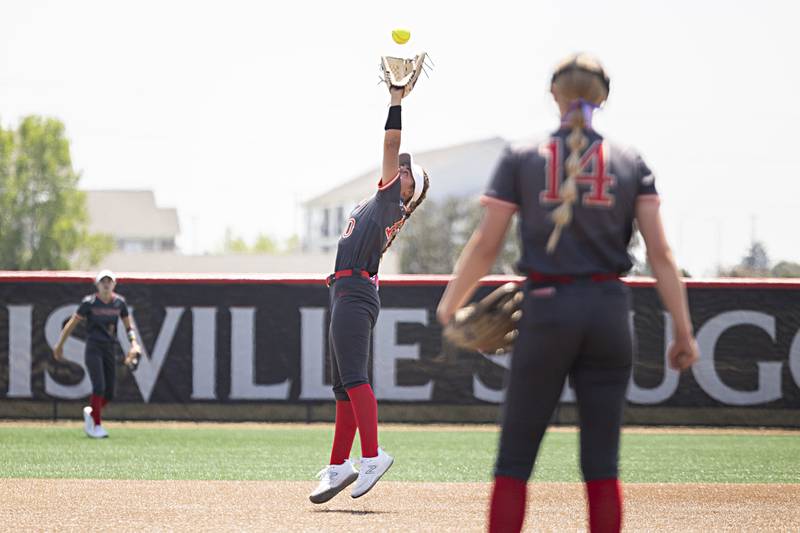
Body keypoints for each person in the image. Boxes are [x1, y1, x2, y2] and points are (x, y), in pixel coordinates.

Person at [436, 54, 699, 532]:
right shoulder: (629, 159)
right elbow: (660, 253)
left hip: (546, 309)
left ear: (553, 95)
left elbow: (484, 244)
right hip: (608, 313)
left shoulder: (521, 155)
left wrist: (451, 303)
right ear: (604, 97)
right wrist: (684, 330)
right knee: (602, 465)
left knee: (515, 458)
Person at [309, 86, 430, 504]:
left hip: (355, 292)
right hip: (347, 290)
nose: (402, 168)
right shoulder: (381, 205)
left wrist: (396, 100)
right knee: (342, 388)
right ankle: (340, 464)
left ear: (408, 191)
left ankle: (373, 456)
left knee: (355, 380)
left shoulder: (387, 201)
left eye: (409, 173)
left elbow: (391, 142)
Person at [53, 270, 141, 439]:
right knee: (99, 386)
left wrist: (134, 343)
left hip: (110, 348)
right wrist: (59, 345)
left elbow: (129, 327)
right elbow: (71, 324)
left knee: (109, 393)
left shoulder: (119, 303)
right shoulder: (89, 303)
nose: (106, 284)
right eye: (103, 281)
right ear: (97, 284)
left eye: (109, 281)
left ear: (114, 284)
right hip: (93, 348)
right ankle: (96, 426)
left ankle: (92, 412)